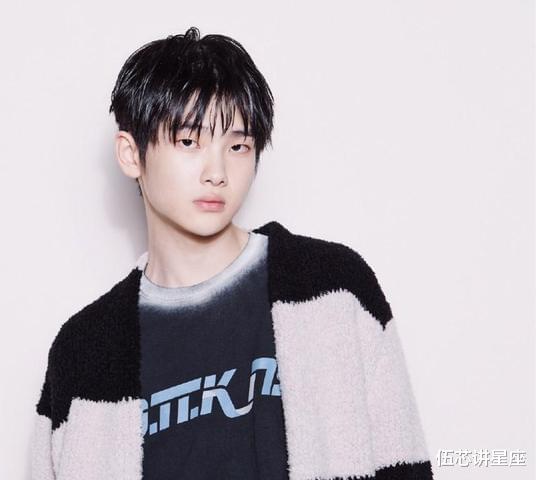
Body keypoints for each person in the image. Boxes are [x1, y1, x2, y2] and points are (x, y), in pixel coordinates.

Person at [30, 27, 434, 480]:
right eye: (189, 142)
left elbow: (404, 464)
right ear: (130, 154)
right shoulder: (86, 349)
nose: (217, 172)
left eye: (238, 146)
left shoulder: (331, 290)